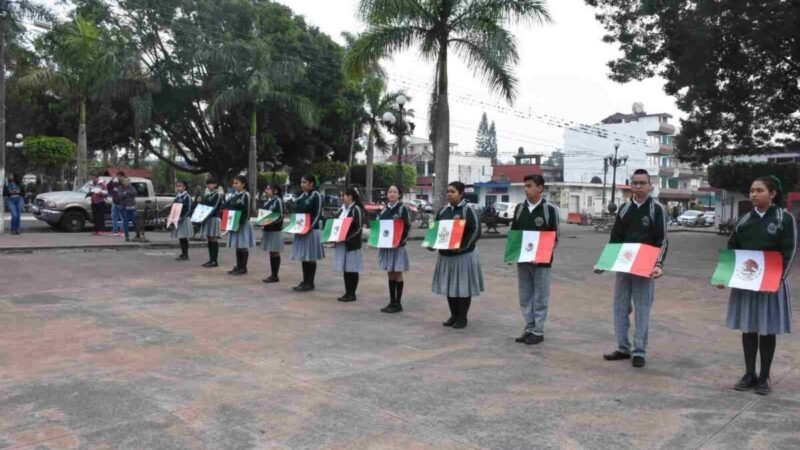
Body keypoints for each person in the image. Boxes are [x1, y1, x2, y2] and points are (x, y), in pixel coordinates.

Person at [720, 176, 795, 396]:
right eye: (752, 190)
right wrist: (725, 275)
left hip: (772, 284)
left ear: (772, 194)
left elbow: (789, 251)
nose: (754, 194)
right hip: (747, 282)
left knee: (767, 330)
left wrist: (778, 279)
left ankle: (764, 376)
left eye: (759, 190)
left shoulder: (784, 218)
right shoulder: (744, 220)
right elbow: (733, 248)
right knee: (749, 327)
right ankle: (749, 374)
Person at [598, 168, 668, 368]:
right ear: (631, 185)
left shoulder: (657, 209)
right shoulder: (624, 208)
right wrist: (605, 263)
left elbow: (662, 240)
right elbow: (615, 238)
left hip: (645, 264)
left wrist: (658, 264)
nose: (638, 186)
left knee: (642, 308)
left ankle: (639, 350)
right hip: (624, 262)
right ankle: (622, 347)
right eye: (635, 183)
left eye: (642, 183)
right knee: (620, 306)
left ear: (650, 185)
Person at [511, 175, 560, 345]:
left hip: (542, 262)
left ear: (540, 188)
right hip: (523, 260)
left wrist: (540, 256)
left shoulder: (549, 210)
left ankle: (538, 331)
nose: (526, 189)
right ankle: (529, 326)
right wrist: (512, 254)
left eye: (529, 186)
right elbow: (514, 234)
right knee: (525, 295)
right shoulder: (520, 208)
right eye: (525, 186)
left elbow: (554, 237)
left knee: (540, 296)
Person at [431, 181, 484, 329]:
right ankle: (453, 315)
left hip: (464, 256)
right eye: (448, 191)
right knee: (450, 286)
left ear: (461, 194)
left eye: (453, 192)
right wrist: (431, 243)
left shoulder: (468, 211)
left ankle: (462, 318)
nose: (449, 194)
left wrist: (463, 247)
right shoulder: (442, 211)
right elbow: (435, 230)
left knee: (463, 287)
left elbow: (476, 231)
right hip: (446, 256)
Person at [377, 184, 410, 313]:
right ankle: (392, 302)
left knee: (397, 273)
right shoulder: (384, 210)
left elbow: (407, 227)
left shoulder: (402, 209)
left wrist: (401, 242)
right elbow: (379, 228)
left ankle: (398, 303)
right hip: (387, 247)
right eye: (389, 191)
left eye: (394, 192)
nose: (391, 194)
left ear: (399, 195)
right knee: (390, 273)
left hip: (398, 247)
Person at [291, 174, 325, 291]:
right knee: (304, 257)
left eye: (304, 182)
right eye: (301, 182)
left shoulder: (316, 195)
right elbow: (296, 212)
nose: (302, 184)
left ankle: (310, 282)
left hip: (311, 231)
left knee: (310, 257)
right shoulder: (301, 196)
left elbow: (317, 213)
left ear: (311, 184)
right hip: (301, 230)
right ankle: (305, 281)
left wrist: (309, 227)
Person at [333, 187, 365, 302]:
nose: (342, 198)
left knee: (352, 268)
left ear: (351, 196)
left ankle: (352, 293)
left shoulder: (356, 209)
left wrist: (347, 238)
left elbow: (358, 228)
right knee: (346, 268)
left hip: (352, 244)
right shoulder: (342, 210)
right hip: (342, 243)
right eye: (341, 196)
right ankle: (347, 292)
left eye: (344, 195)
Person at [225, 175, 255, 275]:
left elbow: (247, 211)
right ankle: (238, 266)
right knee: (237, 245)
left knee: (243, 245)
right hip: (234, 222)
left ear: (243, 184)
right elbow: (228, 207)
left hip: (242, 223)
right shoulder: (234, 195)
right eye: (233, 183)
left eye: (237, 183)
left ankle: (243, 267)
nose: (234, 185)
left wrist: (240, 224)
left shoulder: (245, 195)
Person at [261, 184, 285, 283]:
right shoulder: (267, 202)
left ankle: (275, 275)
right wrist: (261, 222)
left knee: (275, 251)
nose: (266, 190)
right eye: (266, 188)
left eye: (269, 189)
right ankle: (273, 274)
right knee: (271, 251)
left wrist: (269, 223)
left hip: (275, 229)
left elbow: (280, 216)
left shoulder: (277, 201)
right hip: (268, 229)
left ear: (275, 191)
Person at [199, 179, 223, 268]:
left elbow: (215, 207)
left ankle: (214, 261)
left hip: (213, 218)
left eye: (210, 184)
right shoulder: (208, 195)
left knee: (213, 238)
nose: (208, 185)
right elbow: (203, 205)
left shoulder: (217, 194)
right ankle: (211, 259)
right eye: (207, 184)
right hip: (207, 218)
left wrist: (205, 214)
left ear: (215, 184)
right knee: (209, 238)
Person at [171, 181, 193, 261]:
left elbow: (188, 209)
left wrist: (181, 217)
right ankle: (183, 253)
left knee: (184, 237)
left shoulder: (187, 196)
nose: (178, 188)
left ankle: (185, 254)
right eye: (177, 186)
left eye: (180, 186)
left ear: (184, 187)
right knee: (180, 237)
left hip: (184, 219)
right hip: (178, 218)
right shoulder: (177, 196)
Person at [117, 176, 139, 242]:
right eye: (126, 181)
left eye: (128, 181)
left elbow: (135, 193)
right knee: (125, 223)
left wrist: (126, 193)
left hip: (132, 207)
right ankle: (127, 236)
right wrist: (128, 194)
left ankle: (138, 234)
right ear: (123, 182)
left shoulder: (132, 187)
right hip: (124, 208)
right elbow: (120, 195)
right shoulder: (120, 188)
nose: (127, 182)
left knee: (135, 221)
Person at [106, 171, 125, 236]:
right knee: (114, 217)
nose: (118, 177)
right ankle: (115, 230)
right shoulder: (115, 183)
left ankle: (123, 230)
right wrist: (112, 179)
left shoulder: (124, 183)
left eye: (119, 176)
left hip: (121, 203)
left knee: (123, 217)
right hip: (114, 202)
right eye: (117, 176)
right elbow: (108, 187)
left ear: (122, 176)